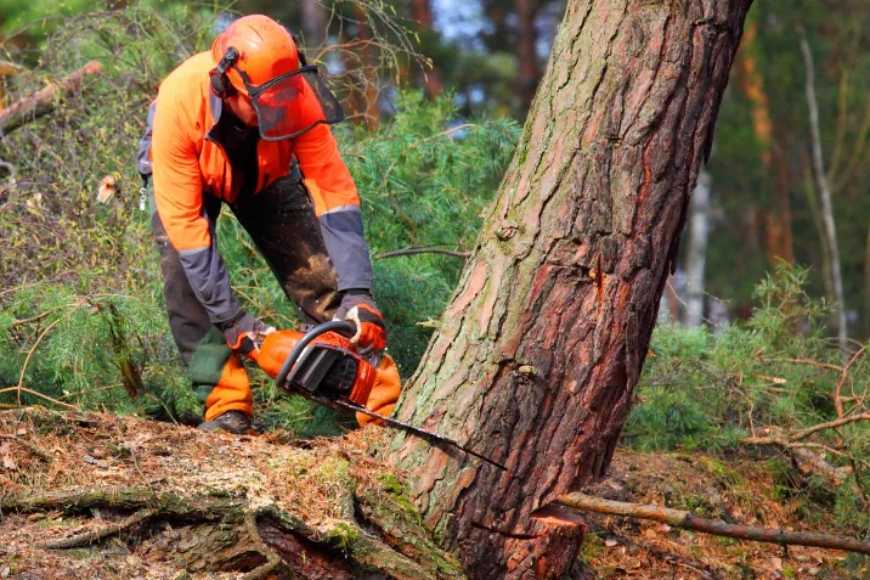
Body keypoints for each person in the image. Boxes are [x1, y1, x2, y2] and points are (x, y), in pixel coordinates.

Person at [136, 14, 400, 433]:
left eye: (284, 99)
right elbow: (187, 225)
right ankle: (226, 407)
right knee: (185, 285)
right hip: (192, 172)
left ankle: (378, 399)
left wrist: (358, 293)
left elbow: (333, 192)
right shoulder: (181, 101)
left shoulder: (295, 95)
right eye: (264, 102)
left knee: (316, 268)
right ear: (227, 85)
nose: (277, 109)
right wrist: (238, 326)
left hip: (267, 170)